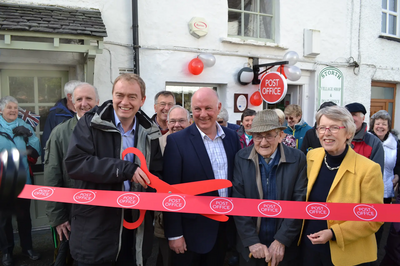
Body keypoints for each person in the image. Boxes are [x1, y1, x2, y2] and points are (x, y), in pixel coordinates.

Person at [64, 73, 163, 266]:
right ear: (112, 95)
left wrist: (155, 193)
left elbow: (157, 173)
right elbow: (76, 163)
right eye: (119, 95)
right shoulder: (90, 123)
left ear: (142, 100)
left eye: (132, 97)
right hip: (96, 224)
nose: (124, 102)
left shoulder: (150, 132)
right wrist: (123, 169)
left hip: (135, 225)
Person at [163, 87, 241, 266]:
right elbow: (170, 191)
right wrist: (175, 234)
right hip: (190, 234)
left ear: (219, 107)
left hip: (224, 230)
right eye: (197, 109)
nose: (203, 114)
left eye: (208, 108)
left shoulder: (231, 138)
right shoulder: (177, 141)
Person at [300, 106, 384, 266]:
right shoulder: (312, 156)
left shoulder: (369, 169)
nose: (326, 133)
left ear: (349, 133)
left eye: (334, 127)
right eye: (322, 128)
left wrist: (333, 233)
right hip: (310, 249)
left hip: (349, 254)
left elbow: (374, 218)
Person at [233, 109, 307, 266]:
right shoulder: (241, 157)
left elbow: (299, 201)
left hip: (286, 248)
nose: (263, 142)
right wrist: (252, 241)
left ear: (280, 136)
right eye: (258, 136)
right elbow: (238, 202)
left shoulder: (297, 158)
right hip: (250, 248)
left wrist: (281, 240)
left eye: (269, 136)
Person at [44, 83, 99, 266]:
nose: (84, 104)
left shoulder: (108, 130)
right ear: (72, 103)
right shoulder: (59, 133)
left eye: (88, 99)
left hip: (102, 215)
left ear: (97, 101)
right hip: (71, 215)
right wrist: (58, 218)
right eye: (79, 99)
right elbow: (52, 176)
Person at [0, 96, 41, 266]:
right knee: (4, 220)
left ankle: (27, 248)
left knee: (24, 218)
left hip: (24, 181)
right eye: (9, 107)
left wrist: (29, 135)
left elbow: (35, 150)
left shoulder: (23, 126)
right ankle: (7, 252)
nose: (13, 110)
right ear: (1, 110)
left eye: (15, 108)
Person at [156, 105, 190, 266]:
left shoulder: (196, 143)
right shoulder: (157, 144)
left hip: (191, 214)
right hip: (162, 214)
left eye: (181, 121)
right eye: (173, 121)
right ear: (167, 123)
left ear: (190, 122)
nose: (177, 125)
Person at [369, 110, 400, 249]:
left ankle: (377, 251)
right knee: (366, 220)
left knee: (381, 224)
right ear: (372, 125)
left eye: (384, 124)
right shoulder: (367, 140)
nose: (380, 126)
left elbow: (398, 164)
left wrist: (397, 176)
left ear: (388, 126)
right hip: (367, 189)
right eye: (377, 123)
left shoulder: (396, 144)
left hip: (386, 190)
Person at [42, 80, 80, 152]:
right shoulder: (54, 115)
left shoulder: (87, 112)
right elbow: (47, 142)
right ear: (70, 96)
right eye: (79, 94)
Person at [345, 102, 384, 172]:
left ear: (363, 118)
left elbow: (376, 174)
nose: (350, 118)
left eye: (354, 115)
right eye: (348, 115)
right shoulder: (338, 139)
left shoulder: (374, 143)